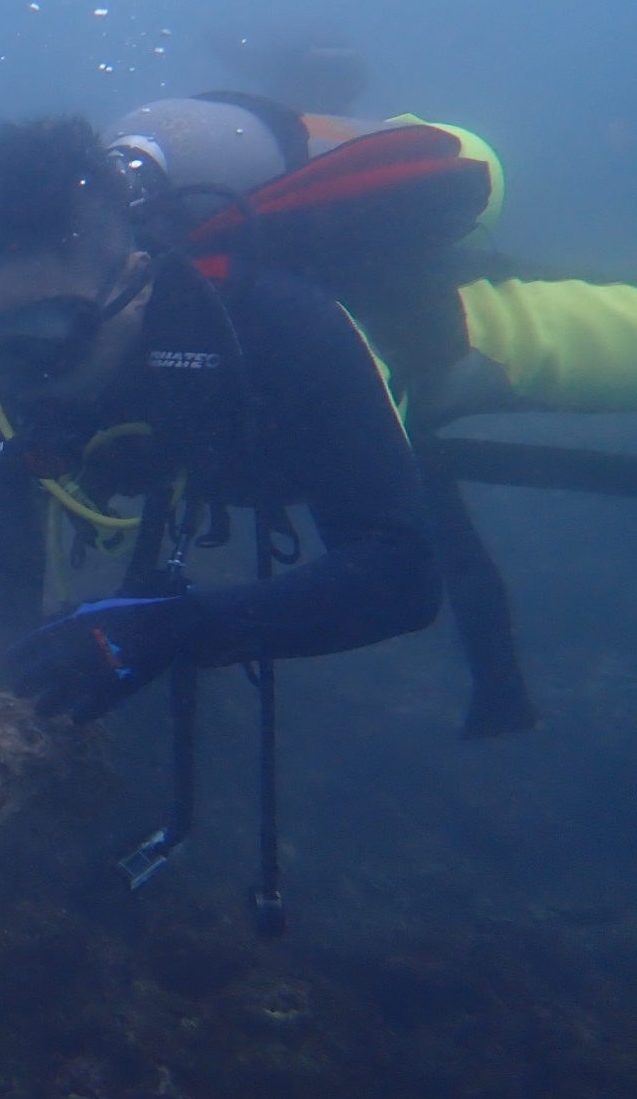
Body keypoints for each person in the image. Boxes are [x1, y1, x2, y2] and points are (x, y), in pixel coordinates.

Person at [104, 93, 637, 738]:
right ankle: (373, 127)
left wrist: (162, 636)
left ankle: (389, 134)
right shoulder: (70, 344)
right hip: (392, 342)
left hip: (452, 332)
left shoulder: (269, 322)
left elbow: (398, 573)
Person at [0, 116, 441, 722]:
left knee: (451, 356)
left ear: (135, 282)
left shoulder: (279, 328)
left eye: (48, 333)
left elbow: (403, 576)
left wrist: (184, 628)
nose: (19, 372)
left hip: (380, 358)